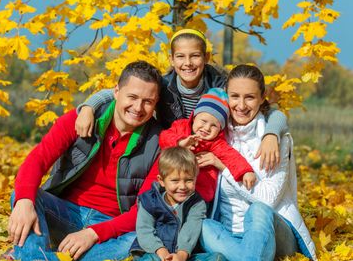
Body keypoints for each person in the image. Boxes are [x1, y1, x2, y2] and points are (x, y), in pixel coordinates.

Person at [5, 61, 164, 261]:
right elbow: (37, 159)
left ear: (156, 104)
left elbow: (144, 208)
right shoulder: (81, 119)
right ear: (116, 92)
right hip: (65, 212)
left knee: (141, 243)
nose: (138, 107)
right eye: (132, 97)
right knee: (24, 195)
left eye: (148, 101)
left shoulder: (159, 142)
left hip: (110, 226)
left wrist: (93, 233)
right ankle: (39, 260)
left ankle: (39, 255)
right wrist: (25, 201)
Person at [76, 28, 287, 171]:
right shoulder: (164, 85)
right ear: (172, 60)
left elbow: (272, 111)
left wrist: (271, 134)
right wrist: (88, 107)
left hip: (214, 153)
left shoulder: (222, 84)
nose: (188, 63)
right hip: (174, 149)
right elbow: (119, 92)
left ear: (206, 58)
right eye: (181, 57)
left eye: (195, 56)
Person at [198, 64, 317, 261]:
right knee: (201, 226)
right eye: (235, 96)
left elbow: (267, 201)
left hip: (273, 230)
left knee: (258, 211)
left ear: (262, 98)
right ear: (226, 96)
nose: (241, 106)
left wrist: (223, 166)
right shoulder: (218, 133)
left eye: (250, 97)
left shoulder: (276, 140)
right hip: (230, 231)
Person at [92, 147, 226, 261]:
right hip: (155, 253)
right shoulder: (150, 200)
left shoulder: (196, 203)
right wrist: (160, 250)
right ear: (161, 181)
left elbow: (190, 229)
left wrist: (181, 255)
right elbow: (145, 230)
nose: (182, 186)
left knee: (218, 258)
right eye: (175, 181)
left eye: (189, 180)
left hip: (184, 257)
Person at [159, 88, 256, 203]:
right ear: (194, 118)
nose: (206, 128)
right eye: (203, 121)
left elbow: (231, 156)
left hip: (200, 183)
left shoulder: (216, 143)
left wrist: (245, 171)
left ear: (220, 129)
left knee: (204, 184)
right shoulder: (181, 127)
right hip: (173, 176)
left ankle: (195, 203)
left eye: (214, 125)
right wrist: (180, 143)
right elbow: (164, 137)